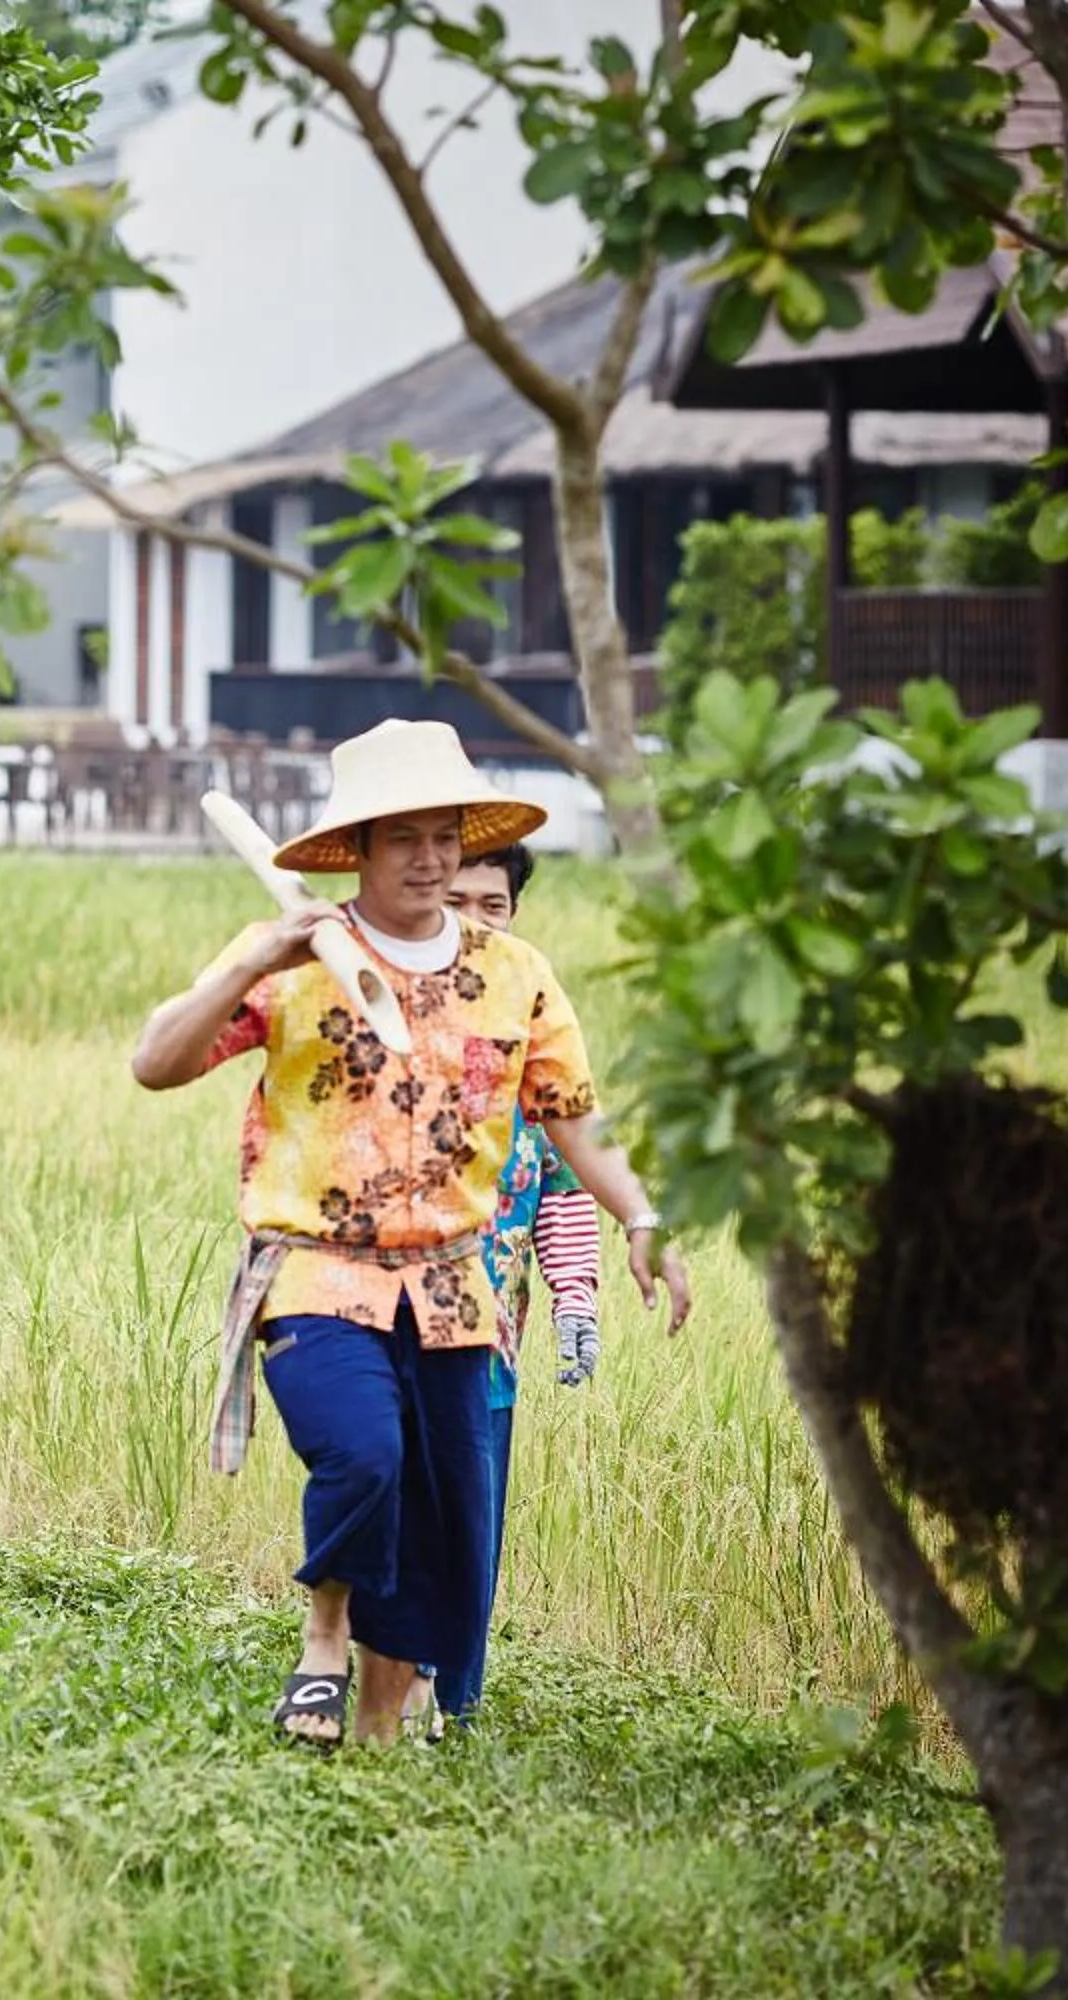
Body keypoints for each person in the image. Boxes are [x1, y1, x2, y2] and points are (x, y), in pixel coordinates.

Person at [128, 719, 689, 1750]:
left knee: (440, 1514)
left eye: (445, 836)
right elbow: (155, 1062)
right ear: (360, 849)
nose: (431, 859)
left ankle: (382, 1728)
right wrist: (252, 954)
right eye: (405, 839)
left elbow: (573, 1110)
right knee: (363, 1453)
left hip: (454, 1285)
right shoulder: (299, 962)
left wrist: (642, 1214)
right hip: (316, 1269)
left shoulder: (513, 973)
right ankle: (321, 1637)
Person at [406, 840, 606, 1728]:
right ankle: (388, 1681)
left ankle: (457, 1698)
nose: (478, 921)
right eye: (459, 902)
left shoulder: (534, 1038)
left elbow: (565, 1186)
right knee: (390, 1502)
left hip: (490, 1345)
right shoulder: (396, 1023)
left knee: (473, 1527)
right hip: (387, 1328)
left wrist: (576, 1299)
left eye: (495, 905)